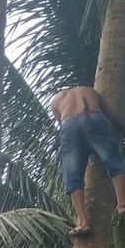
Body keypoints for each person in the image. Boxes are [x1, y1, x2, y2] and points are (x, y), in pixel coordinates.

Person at [51, 86, 125, 237]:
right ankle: (122, 204)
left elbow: (62, 125)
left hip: (68, 126)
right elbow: (112, 117)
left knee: (72, 175)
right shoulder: (91, 92)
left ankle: (83, 222)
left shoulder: (56, 100)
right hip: (92, 117)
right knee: (114, 161)